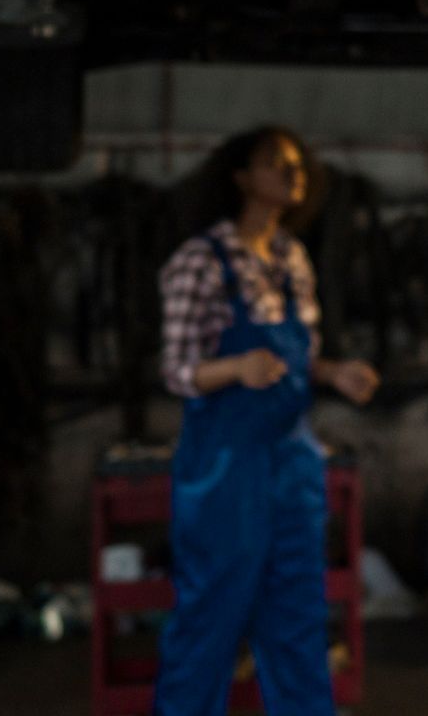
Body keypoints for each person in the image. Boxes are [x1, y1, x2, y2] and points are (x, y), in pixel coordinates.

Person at [152, 126, 380, 716]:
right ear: (241, 178)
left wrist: (333, 375)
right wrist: (234, 367)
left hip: (292, 462)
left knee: (297, 617)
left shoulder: (292, 259)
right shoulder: (199, 262)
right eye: (275, 163)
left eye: (297, 163)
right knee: (211, 615)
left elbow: (296, 360)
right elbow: (176, 371)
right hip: (225, 466)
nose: (291, 171)